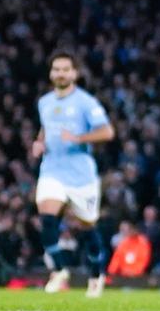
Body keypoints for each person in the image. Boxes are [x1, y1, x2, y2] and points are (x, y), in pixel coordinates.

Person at [31, 52, 115, 297]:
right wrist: (39, 142)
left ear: (74, 73)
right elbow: (46, 128)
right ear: (51, 73)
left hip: (81, 174)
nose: (60, 73)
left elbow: (107, 132)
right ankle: (58, 271)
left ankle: (96, 275)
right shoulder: (44, 102)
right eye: (56, 69)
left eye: (65, 69)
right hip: (52, 169)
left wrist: (79, 138)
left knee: (88, 226)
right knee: (46, 215)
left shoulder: (86, 103)